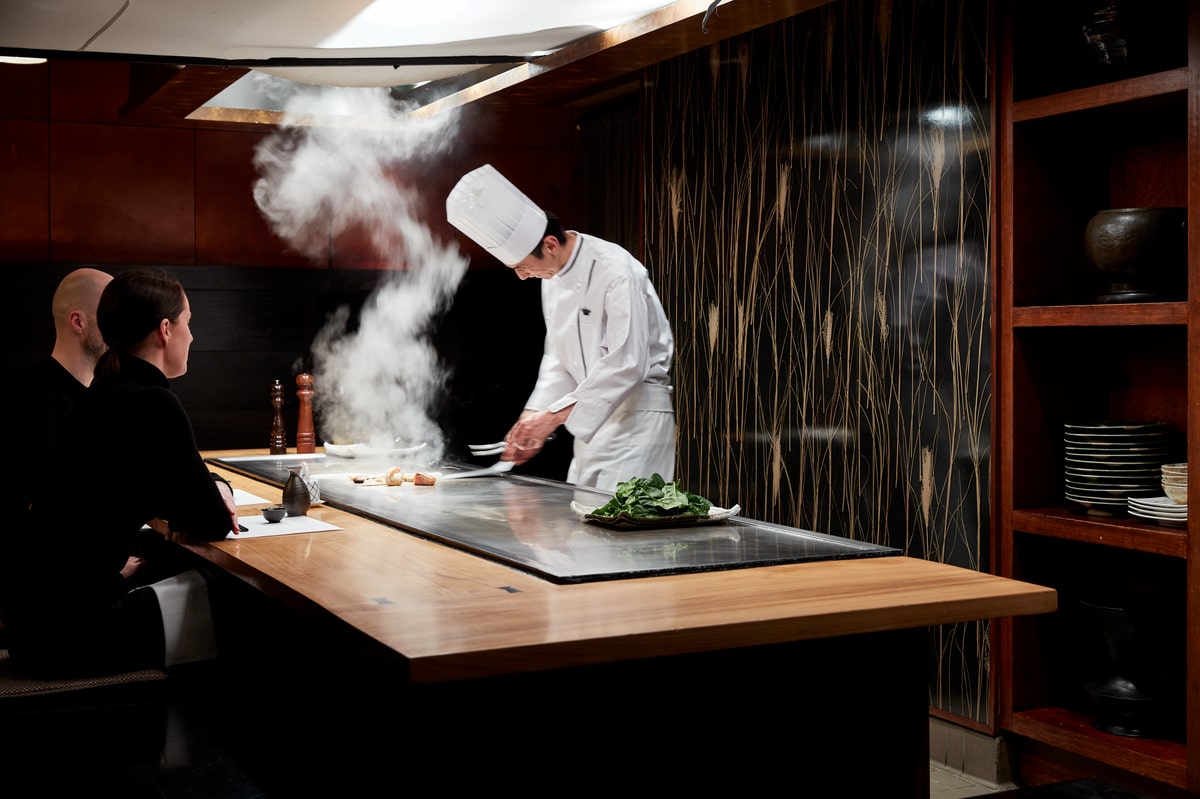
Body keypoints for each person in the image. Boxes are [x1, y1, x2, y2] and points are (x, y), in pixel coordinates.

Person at [0, 270, 240, 679]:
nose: (192, 336)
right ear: (165, 330)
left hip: (32, 628)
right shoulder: (154, 403)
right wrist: (214, 491)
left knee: (185, 579)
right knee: (236, 602)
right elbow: (212, 520)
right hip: (70, 637)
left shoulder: (99, 394)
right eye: (188, 322)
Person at [446, 164, 676, 492]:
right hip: (590, 429)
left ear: (550, 245)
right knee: (581, 518)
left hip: (637, 424)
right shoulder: (551, 279)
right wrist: (532, 417)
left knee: (623, 520)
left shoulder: (617, 271)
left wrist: (552, 417)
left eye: (523, 266)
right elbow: (558, 359)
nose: (522, 277)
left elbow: (627, 363)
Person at [4, 267, 112, 517]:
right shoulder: (30, 397)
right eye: (111, 316)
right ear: (78, 322)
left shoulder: (104, 393)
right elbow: (39, 501)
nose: (122, 329)